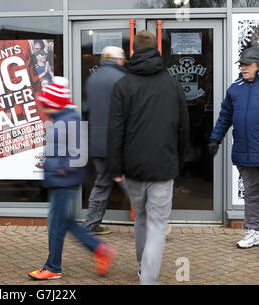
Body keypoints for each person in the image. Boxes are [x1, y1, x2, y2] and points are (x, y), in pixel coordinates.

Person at [107, 31, 189, 285]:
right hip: (164, 165)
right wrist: (181, 160)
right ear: (157, 50)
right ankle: (148, 279)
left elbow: (115, 128)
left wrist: (115, 166)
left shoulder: (123, 85)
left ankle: (144, 269)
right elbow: (183, 127)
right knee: (156, 225)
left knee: (141, 219)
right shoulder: (172, 84)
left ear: (133, 51)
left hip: (133, 166)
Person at [28, 77, 116, 281]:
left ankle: (53, 267)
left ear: (55, 104)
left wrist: (60, 169)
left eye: (47, 105)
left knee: (56, 226)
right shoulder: (60, 119)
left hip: (63, 181)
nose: (44, 109)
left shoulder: (71, 120)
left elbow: (80, 154)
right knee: (63, 222)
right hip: (58, 180)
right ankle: (99, 248)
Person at [208, 47, 259, 249]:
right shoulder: (234, 88)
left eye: (248, 65)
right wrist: (215, 139)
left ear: (257, 65)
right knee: (251, 193)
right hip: (244, 151)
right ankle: (254, 231)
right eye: (242, 65)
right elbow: (225, 117)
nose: (244, 68)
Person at [82, 46, 130, 235]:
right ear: (119, 59)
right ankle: (153, 221)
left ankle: (91, 224)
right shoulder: (121, 79)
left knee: (102, 182)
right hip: (117, 141)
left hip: (97, 141)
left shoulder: (93, 79)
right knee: (129, 181)